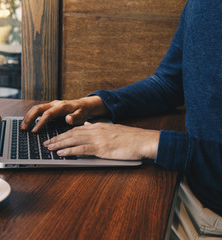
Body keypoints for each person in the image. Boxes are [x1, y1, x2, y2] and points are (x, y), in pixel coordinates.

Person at [21, 0, 222, 238]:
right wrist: (91, 104)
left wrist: (150, 142)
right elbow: (168, 84)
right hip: (188, 183)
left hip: (211, 212)